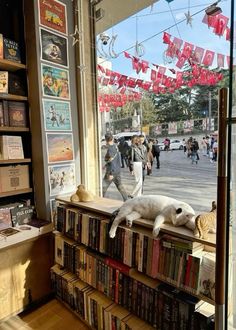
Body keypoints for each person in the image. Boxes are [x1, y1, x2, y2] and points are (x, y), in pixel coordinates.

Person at [102, 133, 128, 201]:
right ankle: (127, 200)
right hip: (117, 171)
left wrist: (111, 174)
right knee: (120, 187)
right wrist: (106, 165)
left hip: (111, 172)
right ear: (112, 139)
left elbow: (112, 162)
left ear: (106, 140)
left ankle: (100, 200)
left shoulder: (110, 149)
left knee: (103, 187)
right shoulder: (115, 146)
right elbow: (113, 159)